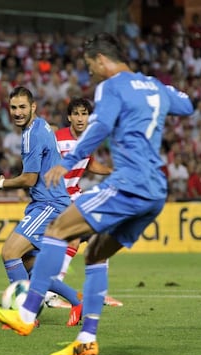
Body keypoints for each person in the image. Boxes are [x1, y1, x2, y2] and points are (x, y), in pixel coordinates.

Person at [0, 32, 194, 355]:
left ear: (101, 60)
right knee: (95, 254)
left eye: (89, 67)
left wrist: (67, 163)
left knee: (58, 229)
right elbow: (187, 104)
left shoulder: (111, 86)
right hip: (156, 191)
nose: (90, 74)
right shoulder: (152, 85)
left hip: (127, 184)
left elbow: (98, 128)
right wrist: (159, 93)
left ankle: (26, 315)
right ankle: (86, 341)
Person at [0, 86, 83, 326]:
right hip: (48, 202)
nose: (17, 112)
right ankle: (77, 300)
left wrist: (2, 183)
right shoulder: (41, 126)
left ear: (33, 107)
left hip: (50, 204)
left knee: (10, 252)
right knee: (31, 265)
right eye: (13, 108)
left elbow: (29, 178)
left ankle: (24, 314)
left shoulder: (32, 134)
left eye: (22, 107)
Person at [49, 97, 122, 308]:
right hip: (58, 197)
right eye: (77, 114)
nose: (81, 118)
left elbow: (90, 165)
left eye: (84, 113)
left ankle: (98, 293)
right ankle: (51, 293)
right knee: (73, 238)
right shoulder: (57, 139)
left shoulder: (89, 139)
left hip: (75, 194)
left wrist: (111, 171)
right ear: (69, 117)